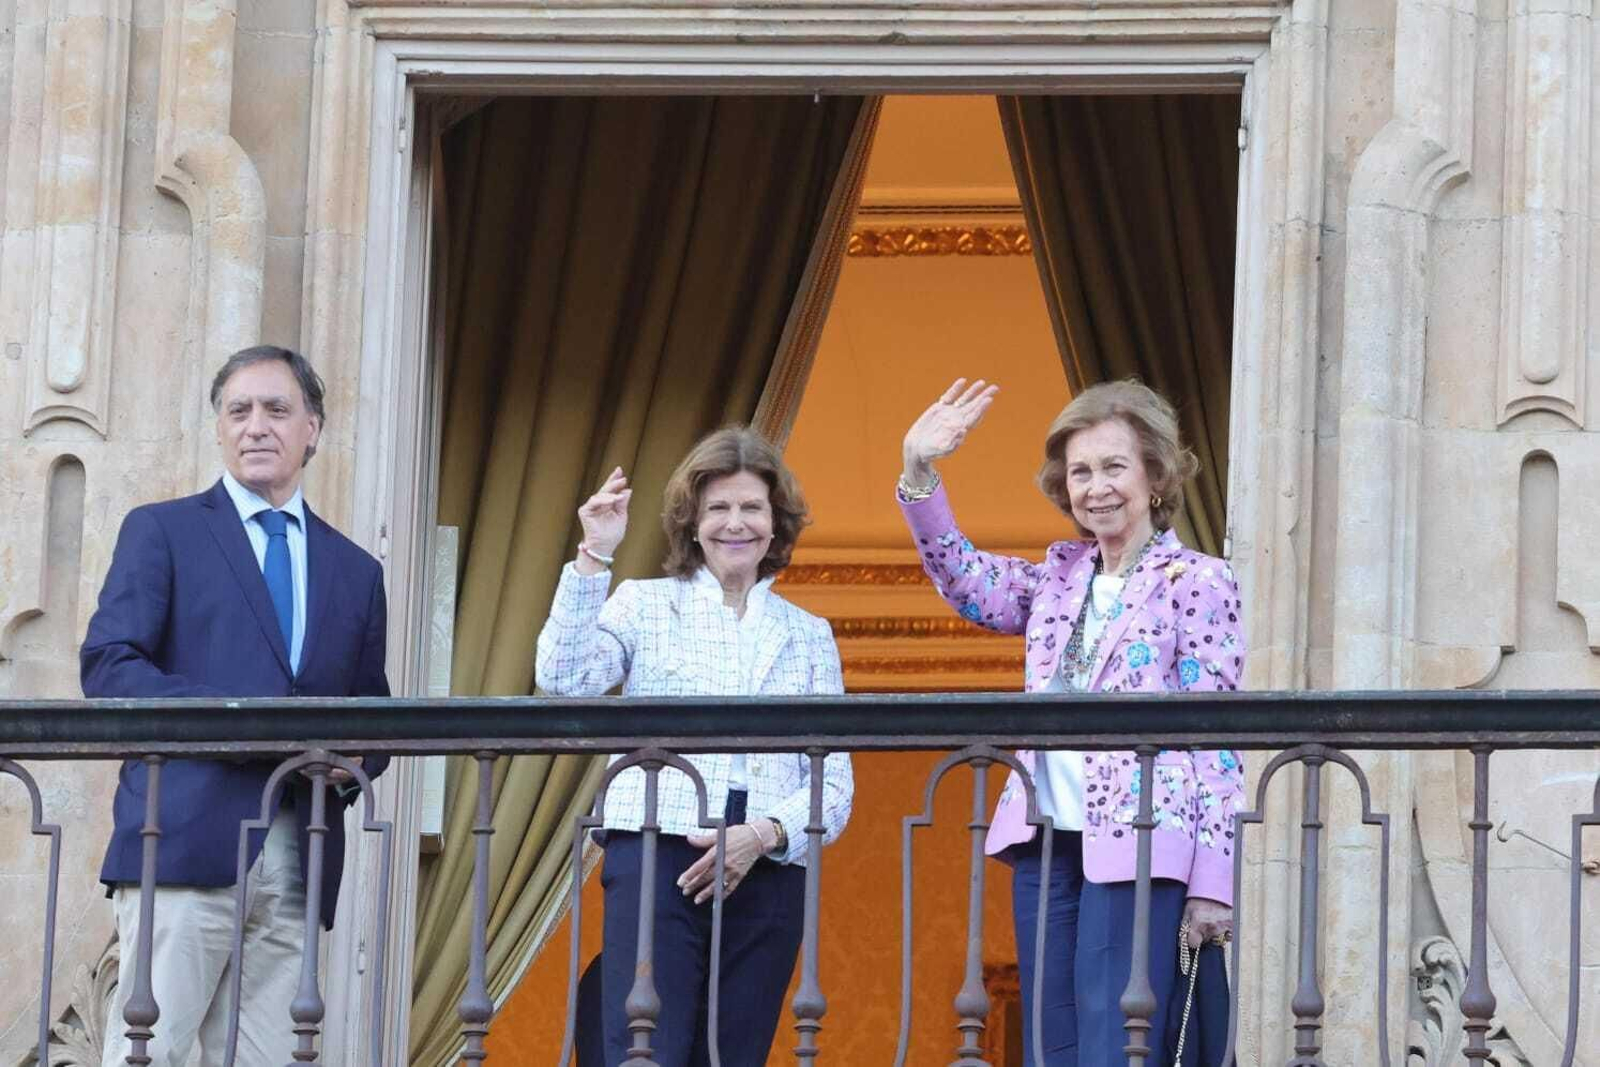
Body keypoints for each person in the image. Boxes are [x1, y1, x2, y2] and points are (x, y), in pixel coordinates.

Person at [897, 378, 1244, 1066]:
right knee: (1051, 1042)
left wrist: (1214, 879)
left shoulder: (1199, 580)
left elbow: (1219, 737)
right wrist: (919, 470)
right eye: (1080, 471)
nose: (1096, 487)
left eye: (1114, 466)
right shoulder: (1056, 578)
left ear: (1154, 474)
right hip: (1047, 837)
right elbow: (965, 580)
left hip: (1144, 839)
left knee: (1117, 1041)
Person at [82, 345, 390, 1067]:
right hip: (182, 839)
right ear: (219, 429)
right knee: (148, 1057)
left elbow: (373, 713)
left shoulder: (356, 570)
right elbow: (110, 666)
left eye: (277, 409)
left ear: (312, 428)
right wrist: (245, 724)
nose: (257, 425)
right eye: (238, 410)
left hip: (297, 853)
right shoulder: (163, 530)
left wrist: (351, 763)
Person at [536, 426, 853, 1067]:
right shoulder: (646, 604)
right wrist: (594, 556)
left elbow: (835, 784)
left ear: (775, 523)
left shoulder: (809, 634)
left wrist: (760, 835)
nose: (735, 523)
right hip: (656, 855)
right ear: (692, 521)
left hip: (765, 873)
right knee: (645, 1052)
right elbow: (562, 680)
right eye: (718, 508)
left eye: (751, 508)